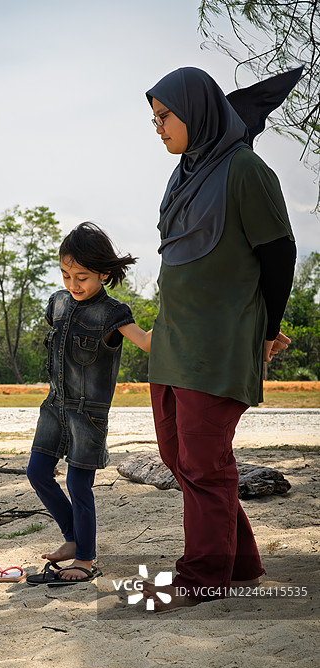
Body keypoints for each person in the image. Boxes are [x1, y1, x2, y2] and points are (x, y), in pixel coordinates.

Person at [142, 66, 297, 611]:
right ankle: (241, 561)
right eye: (154, 119)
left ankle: (203, 576)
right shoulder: (183, 175)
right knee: (177, 455)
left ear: (198, 112)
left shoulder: (246, 171)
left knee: (205, 461)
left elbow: (279, 255)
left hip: (219, 343)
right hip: (172, 343)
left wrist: (267, 329)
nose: (158, 128)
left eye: (165, 117)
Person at [26, 222, 152, 585]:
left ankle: (85, 558)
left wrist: (188, 320)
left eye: (81, 276)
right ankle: (72, 538)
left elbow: (145, 342)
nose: (73, 284)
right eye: (66, 275)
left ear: (104, 273)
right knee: (37, 473)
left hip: (88, 415)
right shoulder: (58, 303)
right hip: (53, 407)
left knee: (79, 486)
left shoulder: (114, 313)